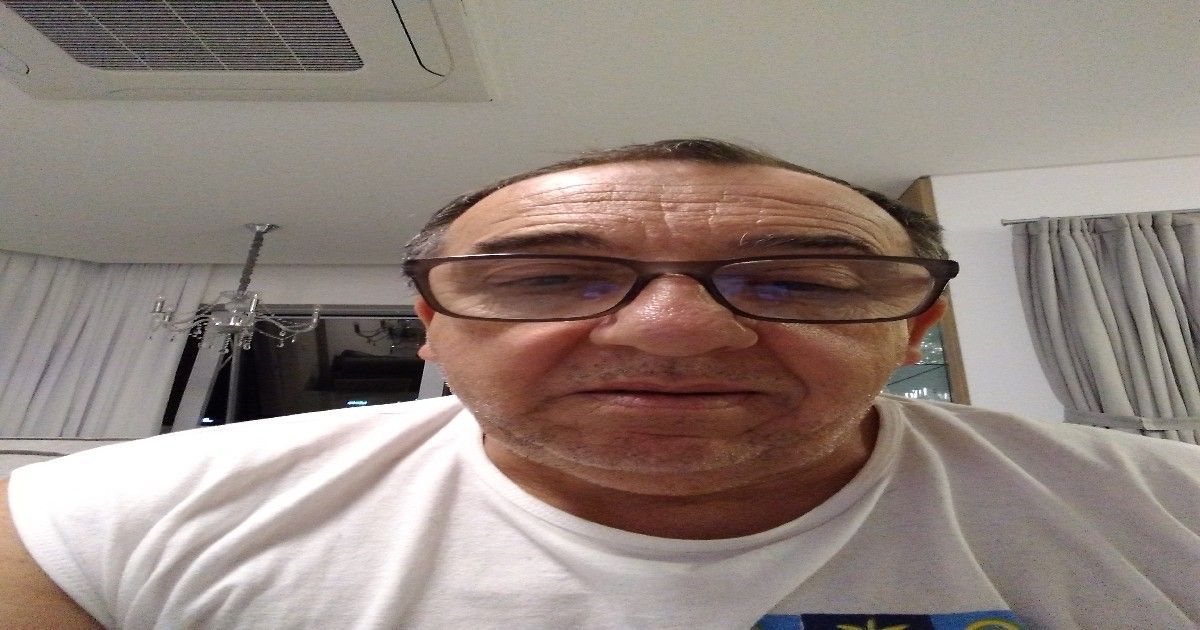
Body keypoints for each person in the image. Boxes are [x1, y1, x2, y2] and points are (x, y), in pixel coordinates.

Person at [2, 138, 1197, 629]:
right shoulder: (95, 526)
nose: (675, 335)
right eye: (548, 279)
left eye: (796, 282)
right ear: (433, 328)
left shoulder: (1171, 518)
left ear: (912, 327)